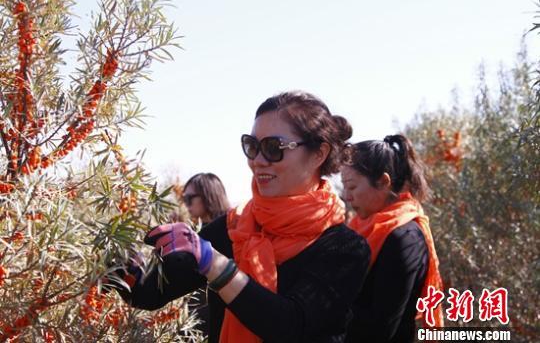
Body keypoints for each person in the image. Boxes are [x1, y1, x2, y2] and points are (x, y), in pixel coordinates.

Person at [111, 91, 371, 343]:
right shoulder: (232, 227)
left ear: (318, 154)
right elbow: (149, 293)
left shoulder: (345, 249)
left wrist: (217, 266)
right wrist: (114, 260)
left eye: (273, 147)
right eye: (252, 146)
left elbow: (291, 326)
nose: (257, 160)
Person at [340, 134, 444, 343]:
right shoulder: (360, 229)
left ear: (383, 182)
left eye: (352, 186)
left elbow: (380, 328)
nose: (346, 195)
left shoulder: (404, 239)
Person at [181, 173, 231, 336]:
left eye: (189, 198)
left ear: (208, 195)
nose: (185, 204)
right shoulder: (198, 234)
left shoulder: (228, 234)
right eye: (183, 199)